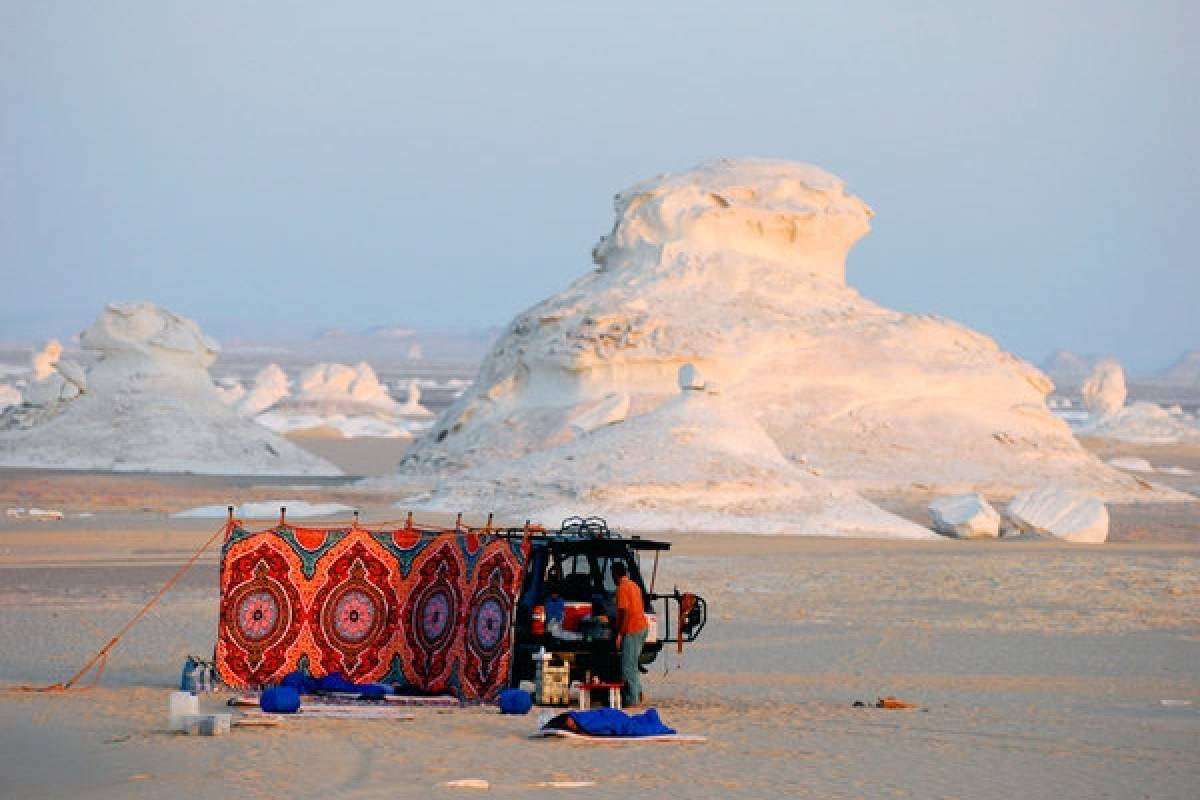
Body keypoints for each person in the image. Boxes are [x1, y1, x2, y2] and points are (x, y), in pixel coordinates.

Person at [611, 561, 648, 708]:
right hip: (642, 627)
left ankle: (633, 701)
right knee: (633, 665)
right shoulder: (634, 585)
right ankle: (638, 694)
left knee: (627, 668)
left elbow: (625, 612)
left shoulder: (622, 588)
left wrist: (620, 634)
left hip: (632, 629)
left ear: (615, 574)